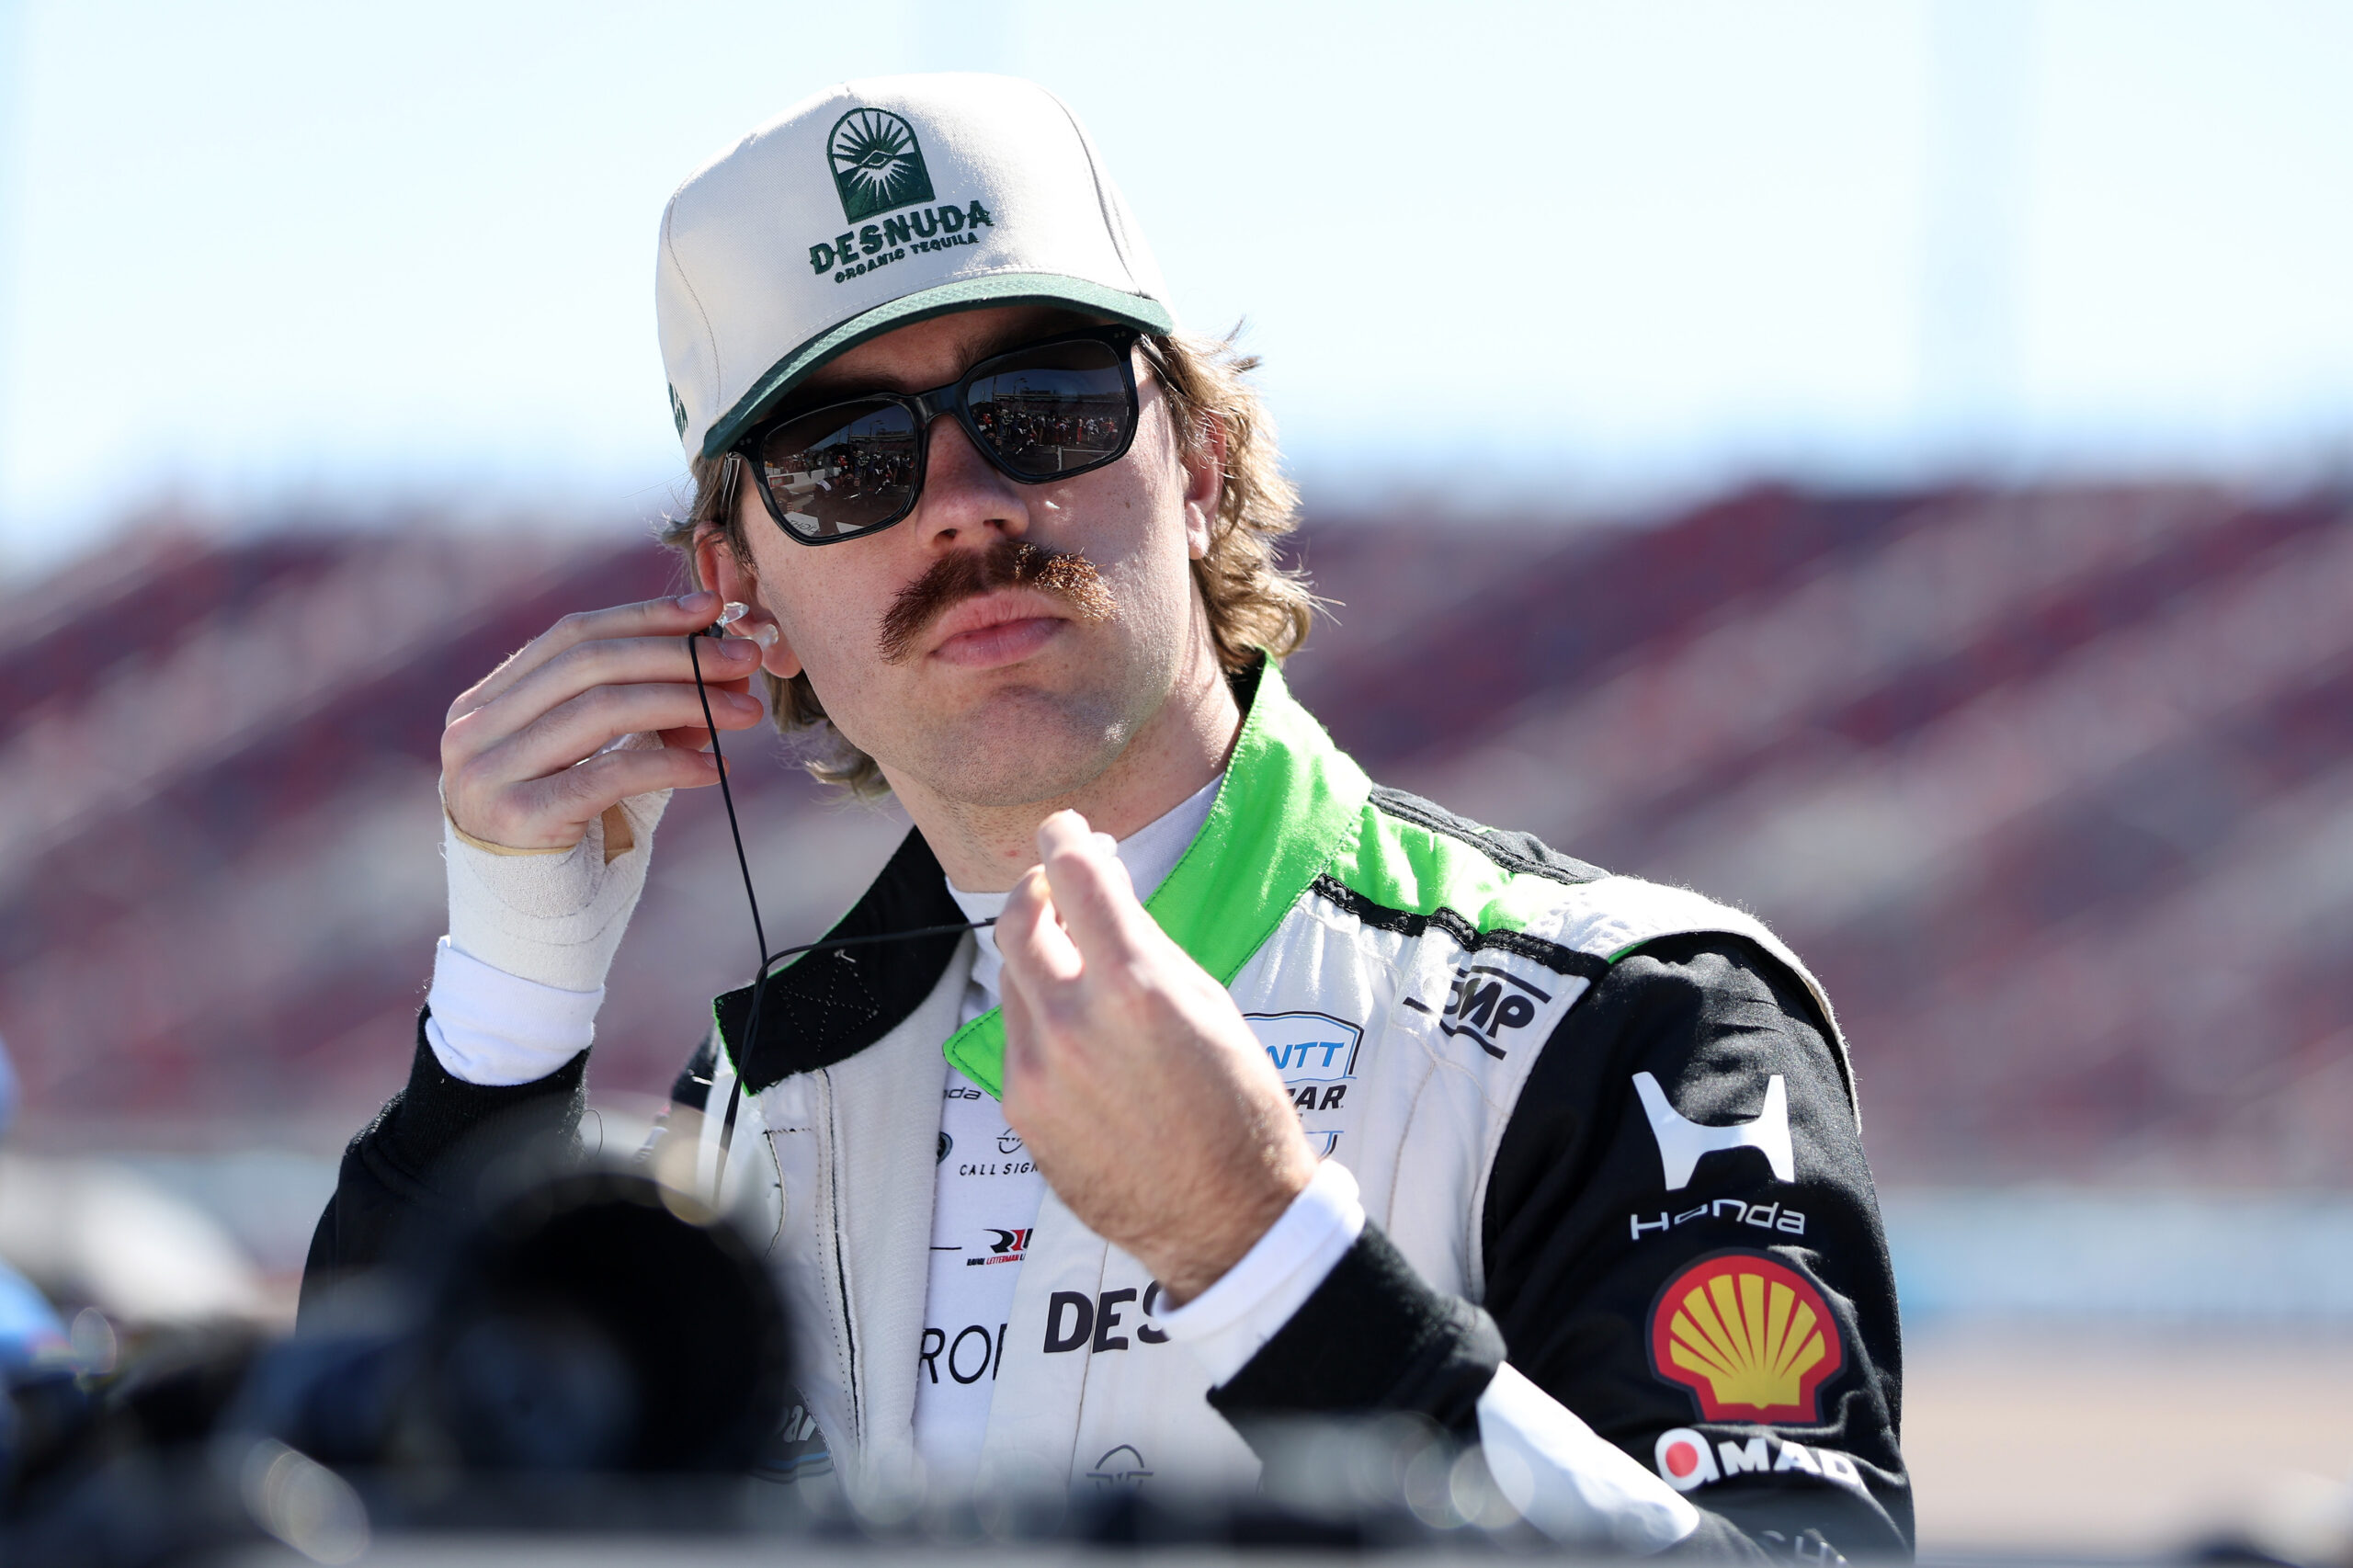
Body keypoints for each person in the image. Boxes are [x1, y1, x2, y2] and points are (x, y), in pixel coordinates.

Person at [302, 74, 1911, 1558]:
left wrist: (1265, 1253)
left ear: (1199, 458)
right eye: (846, 461)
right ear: (742, 590)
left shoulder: (1638, 1021)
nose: (967, 499)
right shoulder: (760, 1096)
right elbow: (334, 1513)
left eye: (1047, 404)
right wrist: (509, 1013)